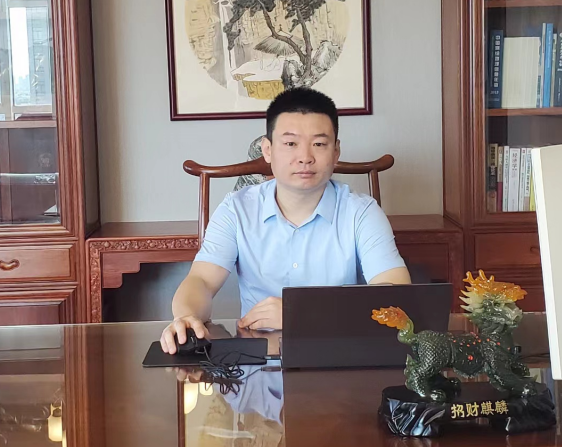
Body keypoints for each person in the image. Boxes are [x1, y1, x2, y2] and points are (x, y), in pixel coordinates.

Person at [160, 87, 411, 353]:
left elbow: (396, 293)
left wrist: (303, 313)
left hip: (338, 351)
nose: (305, 158)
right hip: (256, 358)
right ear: (267, 150)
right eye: (290, 144)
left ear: (336, 152)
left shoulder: (361, 212)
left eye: (319, 144)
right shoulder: (237, 209)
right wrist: (186, 316)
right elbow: (201, 280)